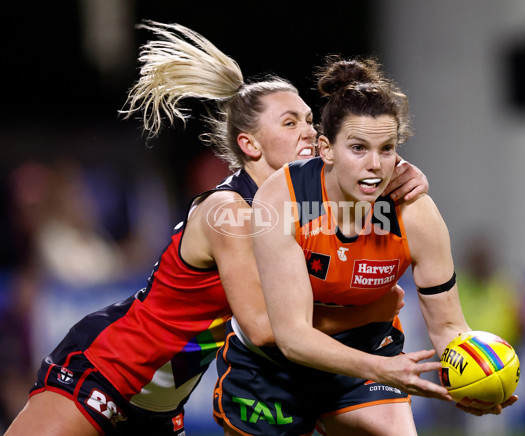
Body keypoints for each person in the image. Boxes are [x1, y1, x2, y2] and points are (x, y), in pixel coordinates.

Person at [5, 22, 430, 436]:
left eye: (308, 119)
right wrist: (372, 312)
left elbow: (362, 172)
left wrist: (402, 174)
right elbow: (265, 330)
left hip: (160, 406)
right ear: (250, 145)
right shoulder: (230, 212)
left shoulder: (295, 206)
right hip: (105, 368)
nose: (309, 130)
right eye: (290, 123)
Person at [213, 55, 518, 436]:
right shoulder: (283, 200)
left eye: (386, 149)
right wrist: (381, 365)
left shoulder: (416, 215)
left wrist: (477, 373)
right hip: (273, 369)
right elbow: (291, 338)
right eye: (358, 148)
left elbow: (449, 327)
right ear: (325, 149)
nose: (375, 164)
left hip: (369, 350)